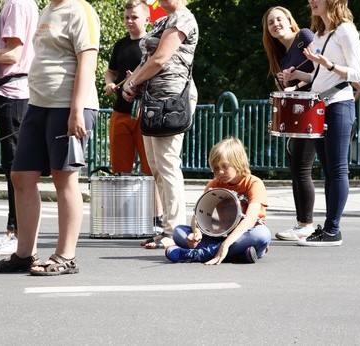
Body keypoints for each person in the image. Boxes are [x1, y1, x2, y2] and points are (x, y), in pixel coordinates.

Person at [0, 0, 100, 275]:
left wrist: (76, 110)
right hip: (38, 104)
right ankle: (25, 254)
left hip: (69, 105)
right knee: (21, 176)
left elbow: (88, 59)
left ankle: (66, 256)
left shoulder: (80, 9)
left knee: (64, 177)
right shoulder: (48, 9)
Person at [283, 0, 360, 246]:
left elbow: (357, 74)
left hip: (340, 103)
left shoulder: (346, 30)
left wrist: (327, 63)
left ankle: (333, 230)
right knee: (328, 170)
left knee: (338, 169)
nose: (310, 1)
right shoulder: (319, 34)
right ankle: (329, 229)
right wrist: (299, 75)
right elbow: (319, 78)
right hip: (320, 105)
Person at [121, 0, 198, 249]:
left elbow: (160, 59)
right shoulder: (163, 20)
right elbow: (148, 60)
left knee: (166, 163)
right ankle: (167, 227)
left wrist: (132, 83)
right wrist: (133, 83)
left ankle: (174, 230)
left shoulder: (183, 17)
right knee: (155, 165)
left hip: (171, 99)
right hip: (153, 99)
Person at [0, 0, 39, 256]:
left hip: (13, 91)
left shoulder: (15, 3)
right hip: (19, 91)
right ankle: (18, 233)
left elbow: (12, 54)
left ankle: (15, 233)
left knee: (15, 168)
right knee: (17, 168)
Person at [104, 0, 164, 228]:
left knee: (151, 168)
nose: (130, 21)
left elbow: (158, 70)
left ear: (147, 19)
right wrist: (110, 84)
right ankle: (123, 219)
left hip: (145, 112)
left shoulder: (152, 44)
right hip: (121, 112)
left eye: (135, 17)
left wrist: (137, 78)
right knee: (120, 169)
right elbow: (110, 74)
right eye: (127, 17)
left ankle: (156, 218)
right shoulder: (120, 45)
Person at [165, 137, 271, 264]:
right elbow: (198, 215)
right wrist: (196, 231)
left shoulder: (254, 183)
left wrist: (226, 244)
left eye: (225, 166)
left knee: (262, 235)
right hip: (220, 236)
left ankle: (197, 254)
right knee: (179, 232)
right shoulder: (214, 184)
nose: (220, 172)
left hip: (245, 235)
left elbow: (250, 220)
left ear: (238, 162)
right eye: (216, 168)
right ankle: (240, 255)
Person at [262, 6, 317, 241]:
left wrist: (295, 82)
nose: (276, 24)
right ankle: (302, 223)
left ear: (289, 20)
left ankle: (307, 225)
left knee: (303, 170)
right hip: (299, 115)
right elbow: (287, 93)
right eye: (270, 23)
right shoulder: (282, 56)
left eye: (279, 19)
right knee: (297, 170)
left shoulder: (304, 36)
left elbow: (320, 70)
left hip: (316, 112)